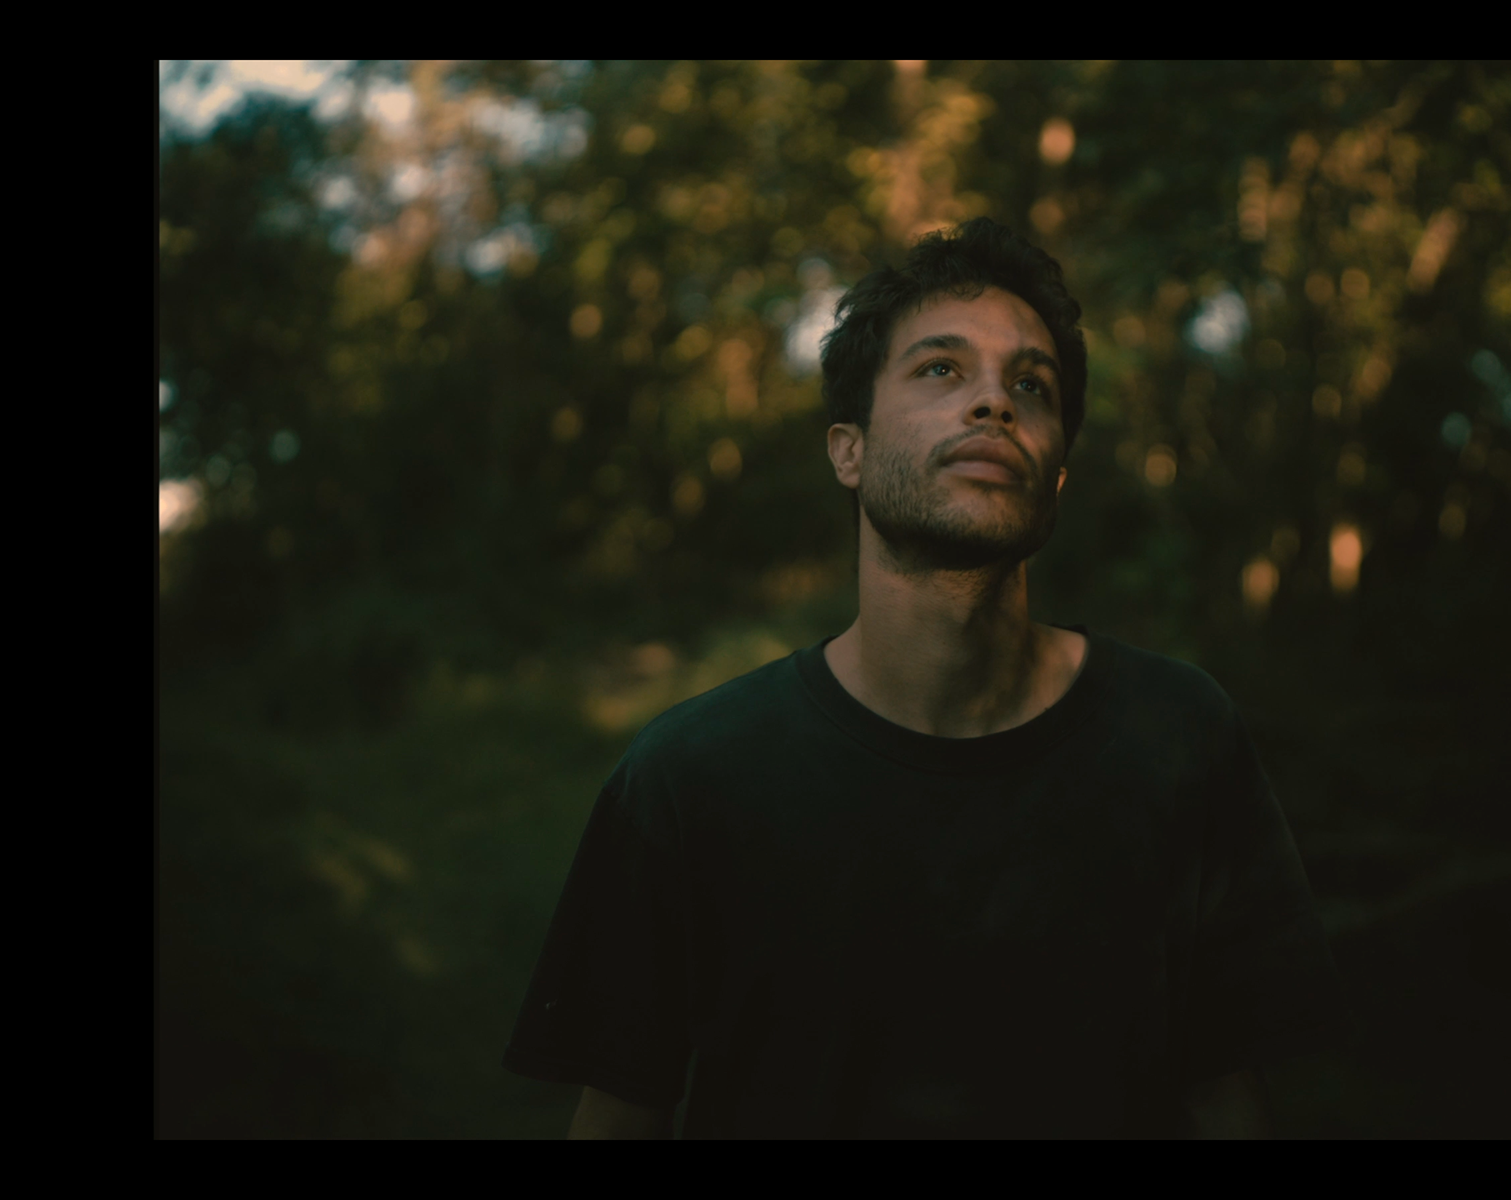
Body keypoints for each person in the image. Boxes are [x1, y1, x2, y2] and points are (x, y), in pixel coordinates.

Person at [502, 217, 1347, 1139]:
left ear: (1058, 477)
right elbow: (622, 1112)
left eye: (1032, 384)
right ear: (849, 452)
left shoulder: (1179, 734)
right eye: (942, 369)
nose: (996, 402)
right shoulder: (690, 777)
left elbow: (1223, 1092)